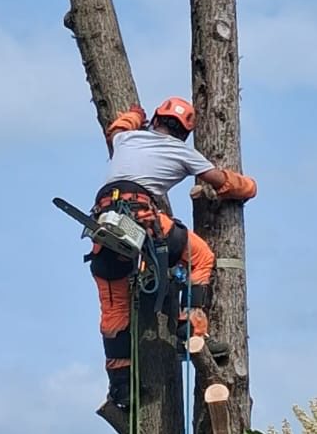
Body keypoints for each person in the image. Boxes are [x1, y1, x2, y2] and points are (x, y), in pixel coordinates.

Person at [90, 97, 257, 411]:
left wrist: (133, 114)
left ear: (156, 121)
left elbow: (118, 127)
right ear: (183, 133)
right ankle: (190, 327)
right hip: (141, 216)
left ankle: (121, 386)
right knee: (201, 257)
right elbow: (221, 182)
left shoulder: (126, 138)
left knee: (114, 308)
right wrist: (248, 186)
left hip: (105, 219)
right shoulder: (182, 152)